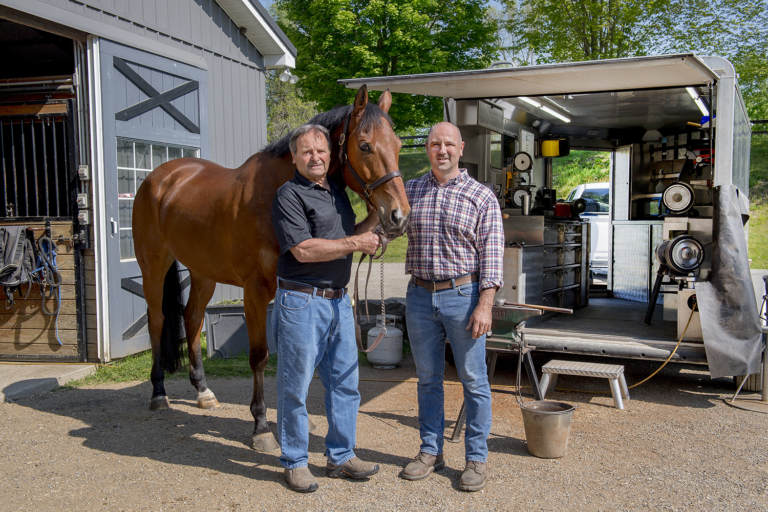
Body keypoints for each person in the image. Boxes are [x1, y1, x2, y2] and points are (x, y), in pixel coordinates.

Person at [271, 124, 381, 493]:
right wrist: (357, 241)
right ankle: (295, 461)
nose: (315, 157)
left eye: (320, 151)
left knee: (346, 384)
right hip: (301, 301)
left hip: (338, 300)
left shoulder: (335, 191)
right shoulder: (288, 195)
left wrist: (376, 222)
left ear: (330, 156)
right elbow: (304, 249)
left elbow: (350, 236)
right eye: (306, 152)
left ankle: (341, 455)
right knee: (294, 387)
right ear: (294, 157)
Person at [399, 121, 504, 492]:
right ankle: (431, 451)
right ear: (427, 149)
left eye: (448, 144)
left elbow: (492, 257)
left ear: (461, 148)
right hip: (419, 296)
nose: (441, 150)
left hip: (464, 296)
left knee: (474, 380)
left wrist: (485, 305)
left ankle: (476, 459)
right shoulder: (409, 190)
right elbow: (386, 227)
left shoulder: (481, 196)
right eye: (433, 144)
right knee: (427, 379)